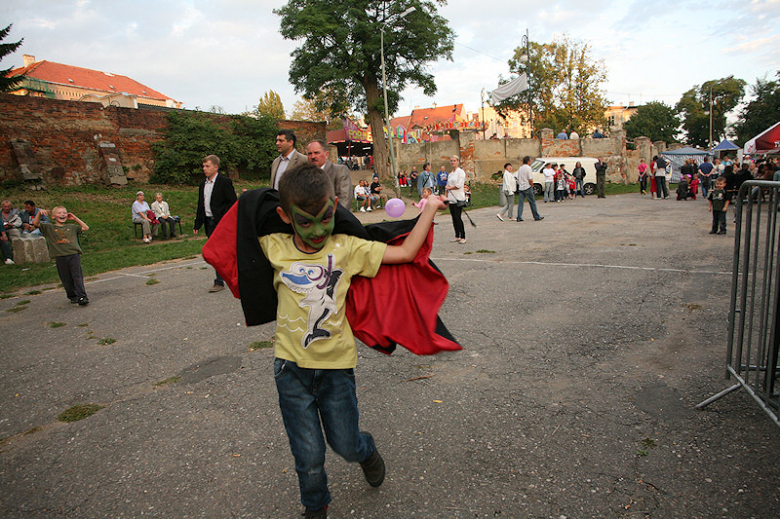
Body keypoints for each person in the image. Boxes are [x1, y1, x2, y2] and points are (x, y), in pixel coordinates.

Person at [259, 164, 446, 519]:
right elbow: (230, 239)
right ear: (285, 216)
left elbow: (405, 254)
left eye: (325, 218)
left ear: (336, 207)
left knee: (344, 444)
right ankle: (315, 507)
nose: (317, 231)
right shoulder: (273, 247)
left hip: (336, 369)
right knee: (308, 454)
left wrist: (432, 208)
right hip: (290, 368)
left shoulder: (347, 248)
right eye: (305, 222)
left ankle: (366, 451)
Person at [194, 154, 237, 292]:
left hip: (221, 222)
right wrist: (198, 222)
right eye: (203, 166)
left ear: (215, 167)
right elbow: (201, 204)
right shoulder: (203, 185)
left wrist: (227, 219)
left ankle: (220, 281)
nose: (205, 169)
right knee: (216, 252)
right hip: (209, 222)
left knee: (224, 251)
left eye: (208, 166)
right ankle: (222, 278)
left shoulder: (224, 182)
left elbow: (232, 203)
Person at [32, 206, 90, 305]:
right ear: (53, 216)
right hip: (60, 256)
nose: (62, 214)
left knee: (77, 276)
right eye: (59, 213)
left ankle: (82, 296)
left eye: (64, 213)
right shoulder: (49, 227)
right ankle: (72, 296)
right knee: (66, 278)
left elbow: (85, 227)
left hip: (73, 255)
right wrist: (39, 213)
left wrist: (75, 218)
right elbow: (35, 223)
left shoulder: (72, 227)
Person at [306, 140, 352, 210]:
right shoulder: (304, 174)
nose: (313, 156)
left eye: (316, 153)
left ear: (326, 154)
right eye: (309, 154)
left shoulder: (339, 170)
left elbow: (345, 199)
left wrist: (331, 217)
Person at [446, 156, 467, 244]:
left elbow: (459, 185)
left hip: (458, 197)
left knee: (458, 218)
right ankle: (456, 235)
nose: (453, 162)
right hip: (451, 198)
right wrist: (445, 197)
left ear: (458, 161)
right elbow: (447, 186)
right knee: (453, 218)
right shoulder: (450, 174)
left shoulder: (461, 172)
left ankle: (463, 236)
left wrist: (450, 188)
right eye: (451, 161)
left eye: (454, 161)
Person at [515, 156, 543, 222]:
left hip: (521, 187)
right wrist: (532, 185)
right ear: (528, 161)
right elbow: (530, 178)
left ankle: (519, 216)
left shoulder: (520, 168)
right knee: (532, 202)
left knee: (521, 203)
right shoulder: (528, 168)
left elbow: (519, 177)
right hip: (527, 186)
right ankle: (536, 216)